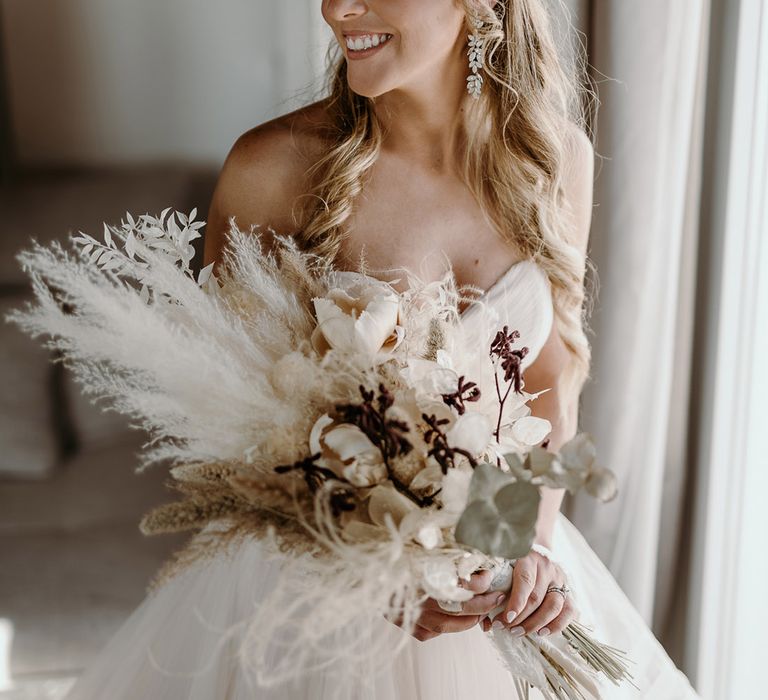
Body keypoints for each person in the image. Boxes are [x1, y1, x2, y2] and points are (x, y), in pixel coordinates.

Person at [65, 1, 700, 697]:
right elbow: (224, 446)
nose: (337, 8)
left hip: (490, 580)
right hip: (311, 607)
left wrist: (520, 547)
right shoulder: (272, 169)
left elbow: (547, 387)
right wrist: (369, 566)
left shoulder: (555, 159)